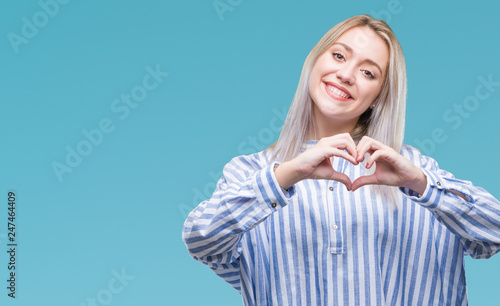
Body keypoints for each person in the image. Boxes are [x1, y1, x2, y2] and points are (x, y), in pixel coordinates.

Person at [182, 14, 500, 305]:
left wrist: (421, 184)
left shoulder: (414, 171)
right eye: (338, 55)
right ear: (313, 63)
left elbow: (494, 233)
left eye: (368, 72)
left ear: (379, 97)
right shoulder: (250, 172)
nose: (346, 74)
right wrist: (286, 175)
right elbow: (201, 241)